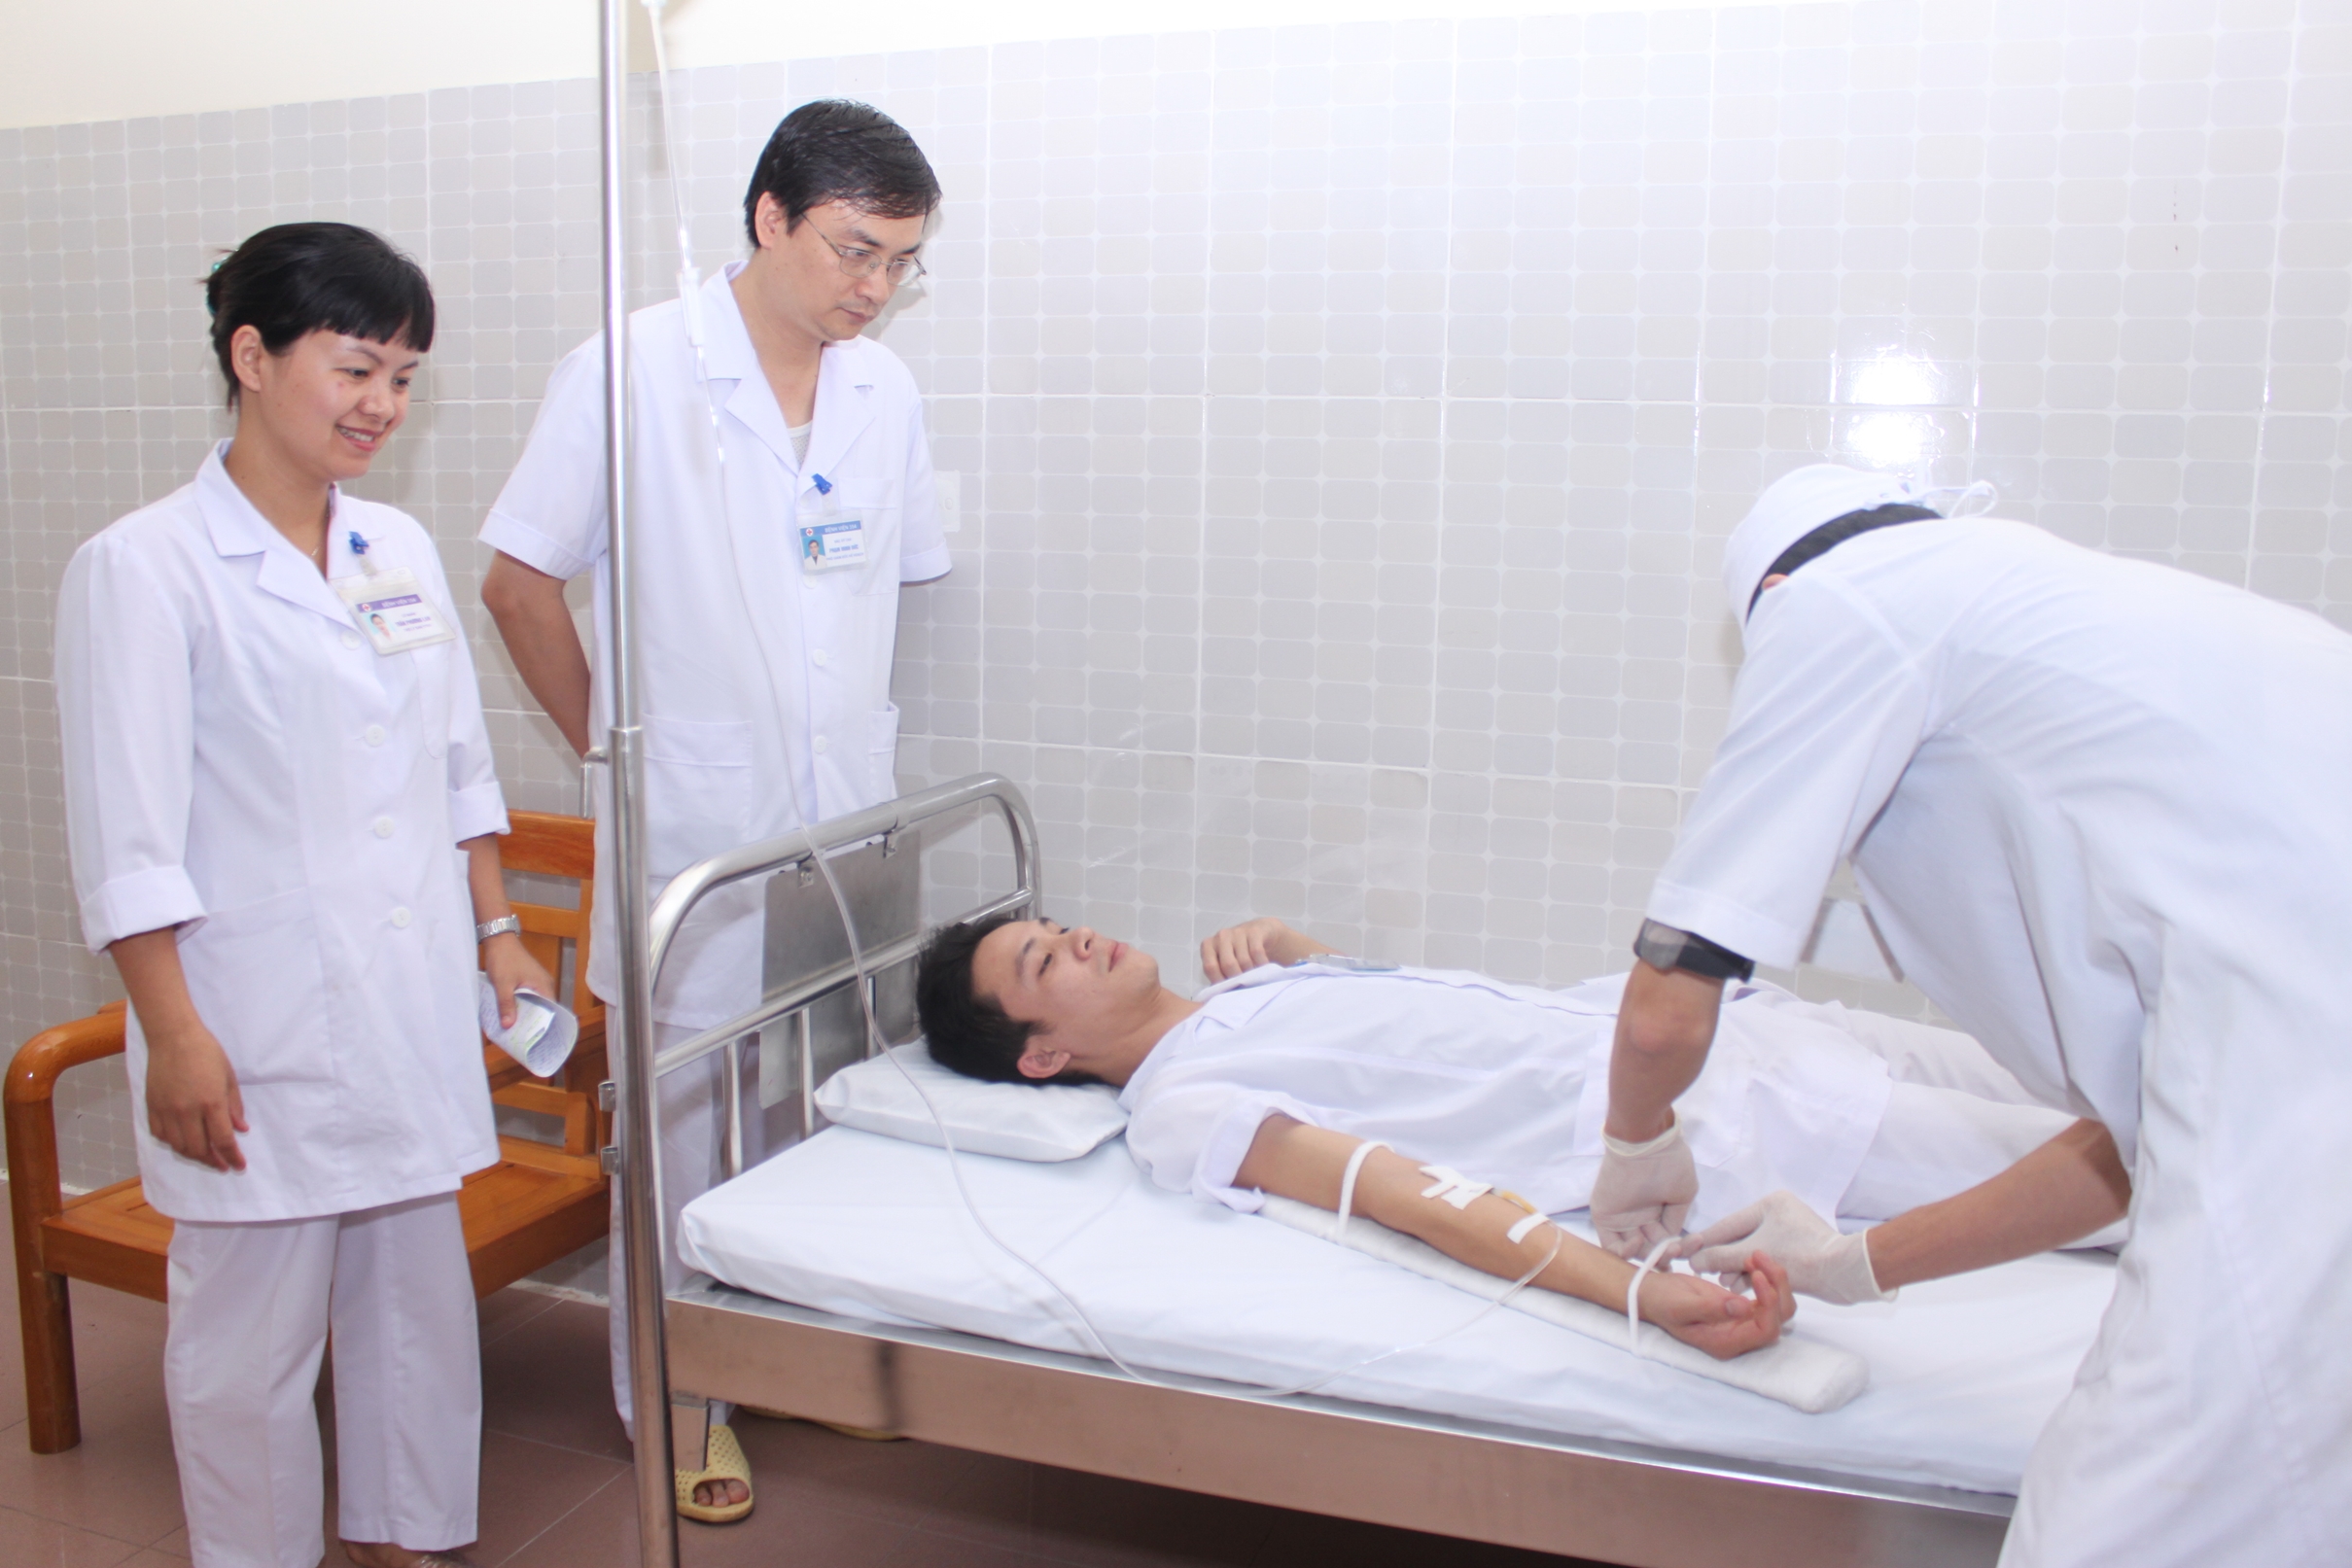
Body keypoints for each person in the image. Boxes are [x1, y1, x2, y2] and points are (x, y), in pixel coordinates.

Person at [1590, 463, 2352, 1566]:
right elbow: (2139, 1140)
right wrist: (1855, 1259)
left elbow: (1663, 1014)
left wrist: (1635, 1142)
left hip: (2306, 1139)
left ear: (1771, 598)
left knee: (2120, 1522)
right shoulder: (2093, 640)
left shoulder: (1843, 599)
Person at [478, 99, 949, 1521]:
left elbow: (876, 586)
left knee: (816, 1097)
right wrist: (612, 755)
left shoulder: (884, 392)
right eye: (854, 250)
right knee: (683, 1122)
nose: (875, 287)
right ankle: (681, 1399)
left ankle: (790, 1357)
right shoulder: (628, 370)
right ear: (767, 217)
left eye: (901, 261)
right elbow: (516, 580)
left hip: (837, 827)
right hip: (690, 830)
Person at [53, 222, 549, 1568]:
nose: (383, 404)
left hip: (406, 997)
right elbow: (126, 834)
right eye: (356, 368)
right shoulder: (144, 567)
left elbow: (457, 767)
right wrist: (175, 1033)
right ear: (252, 356)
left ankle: (408, 1538)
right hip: (250, 1012)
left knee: (412, 1300)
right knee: (247, 1343)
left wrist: (499, 932)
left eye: (403, 376)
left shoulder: (396, 546)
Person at [914, 912, 2108, 1359]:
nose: (1081, 938)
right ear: (1041, 1056)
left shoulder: (1240, 993)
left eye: (1060, 926)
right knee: (2146, 1172)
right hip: (1738, 1121)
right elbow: (1403, 1190)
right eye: (1046, 962)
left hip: (1758, 1035)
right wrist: (1636, 1294)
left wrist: (1293, 945)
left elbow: (1413, 1027)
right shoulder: (1181, 1104)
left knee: (2121, 1099)